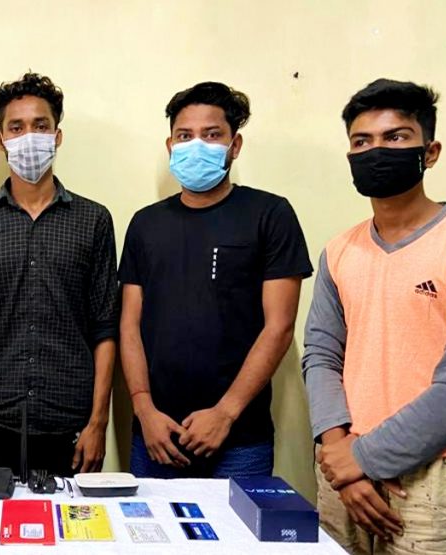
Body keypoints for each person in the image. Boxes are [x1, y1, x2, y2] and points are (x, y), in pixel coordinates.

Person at [303, 78, 446, 554]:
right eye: (362, 141)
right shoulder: (339, 251)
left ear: (430, 152)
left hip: (432, 477)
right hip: (341, 468)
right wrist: (338, 451)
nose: (376, 150)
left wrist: (362, 459)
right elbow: (320, 355)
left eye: (395, 137)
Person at [120, 81, 312, 479]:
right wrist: (143, 409)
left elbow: (279, 327)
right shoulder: (145, 224)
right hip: (155, 435)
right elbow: (129, 325)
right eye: (184, 136)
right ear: (170, 146)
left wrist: (225, 413)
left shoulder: (270, 214)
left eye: (211, 135)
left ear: (234, 145)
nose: (196, 146)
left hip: (240, 440)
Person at [0, 72, 119, 477]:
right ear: (1, 139)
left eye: (40, 126)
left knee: (73, 519)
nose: (29, 136)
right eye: (17, 127)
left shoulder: (93, 221)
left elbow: (105, 328)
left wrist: (98, 423)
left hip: (70, 421)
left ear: (57, 136)